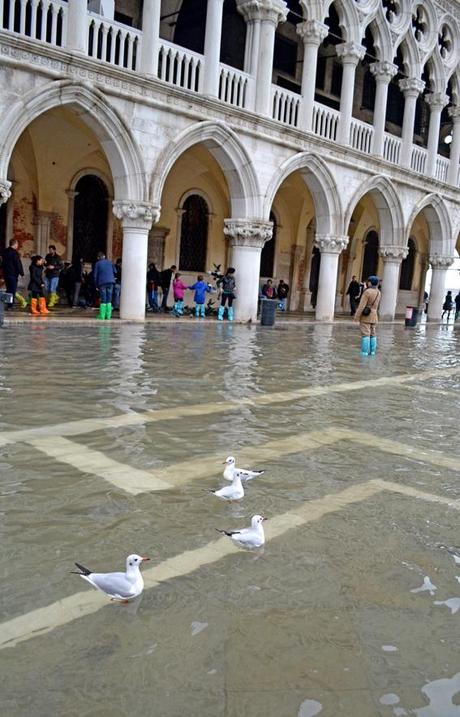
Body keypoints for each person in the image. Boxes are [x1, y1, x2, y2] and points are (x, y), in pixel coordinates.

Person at [355, 275, 381, 356]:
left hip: (366, 315)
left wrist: (356, 316)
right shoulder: (378, 292)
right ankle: (372, 352)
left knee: (365, 333)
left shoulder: (367, 292)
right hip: (374, 315)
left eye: (368, 281)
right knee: (373, 333)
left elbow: (361, 306)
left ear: (370, 282)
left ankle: (364, 353)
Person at [1, 239, 24, 309]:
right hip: (13, 275)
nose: (17, 245)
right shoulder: (14, 253)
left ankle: (7, 305)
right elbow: (17, 263)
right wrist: (21, 273)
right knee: (12, 291)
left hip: (6, 274)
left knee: (8, 290)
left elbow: (1, 263)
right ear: (15, 244)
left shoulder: (4, 252)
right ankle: (10, 306)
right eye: (17, 244)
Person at [93, 251, 116, 320]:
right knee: (109, 299)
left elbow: (95, 276)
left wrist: (96, 285)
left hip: (102, 282)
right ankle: (108, 316)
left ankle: (102, 316)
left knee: (103, 299)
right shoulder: (110, 262)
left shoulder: (97, 264)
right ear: (104, 256)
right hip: (111, 282)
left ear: (98, 258)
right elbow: (115, 271)